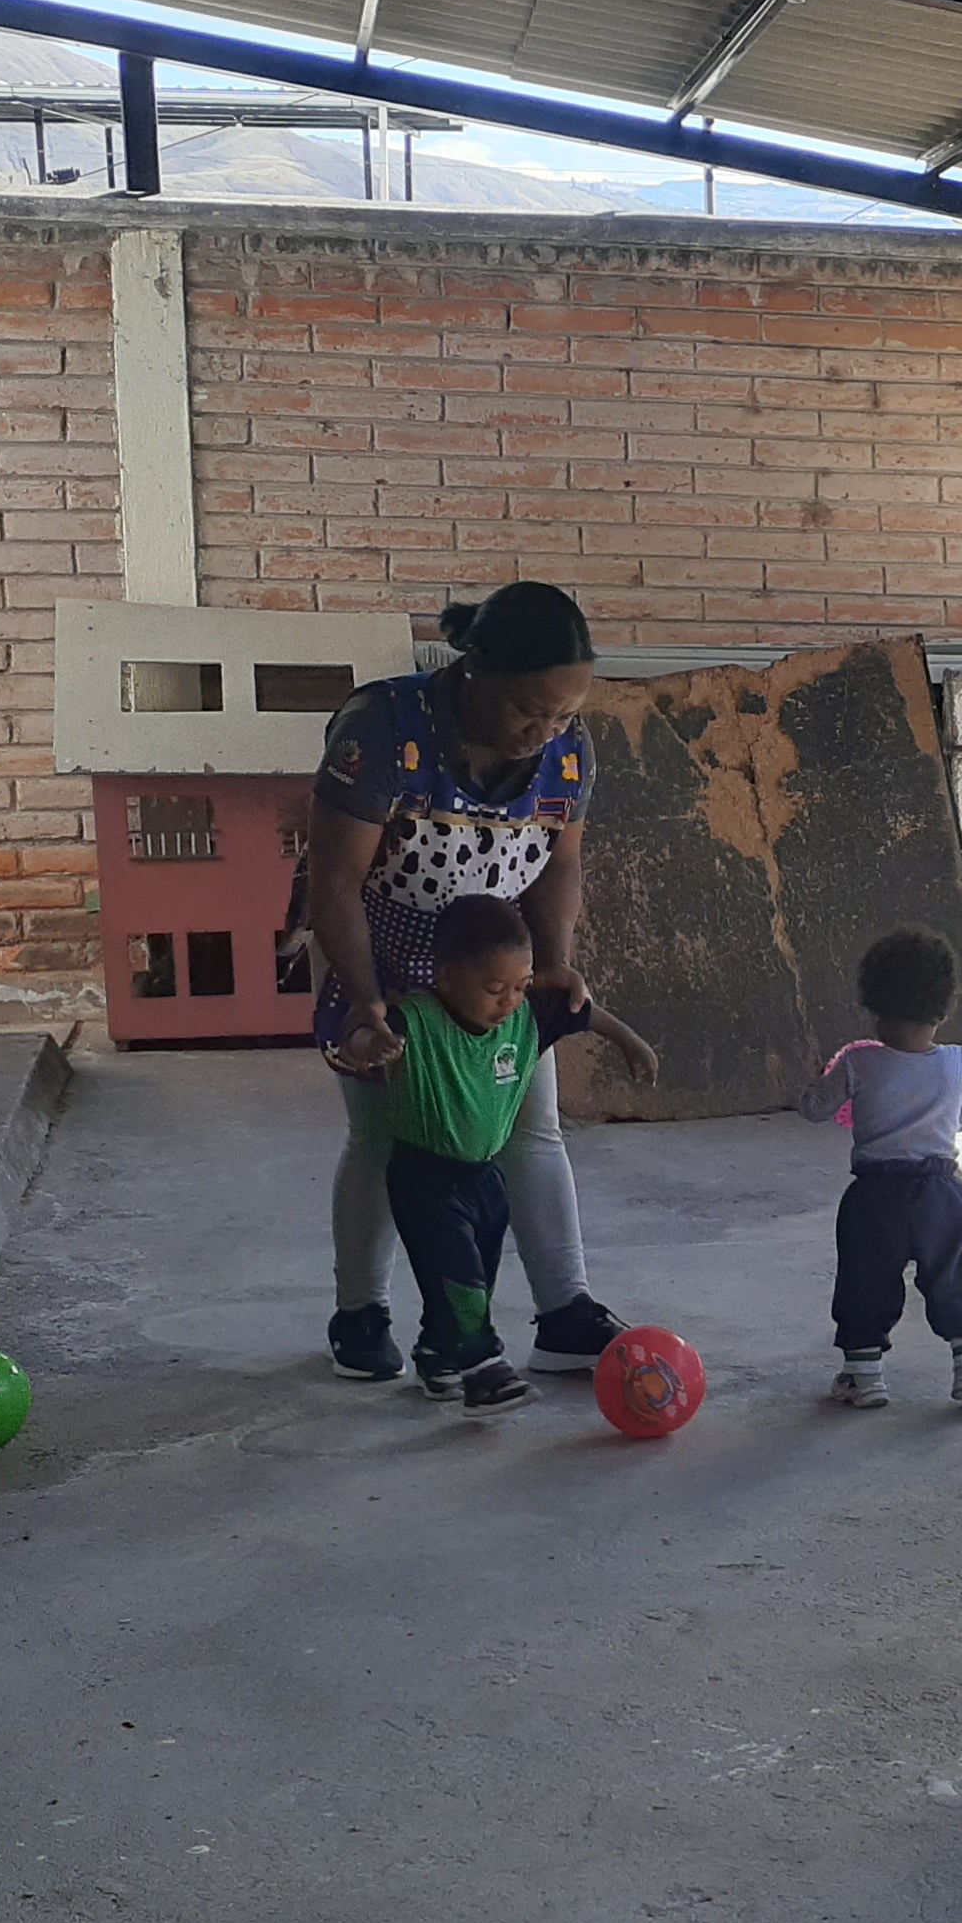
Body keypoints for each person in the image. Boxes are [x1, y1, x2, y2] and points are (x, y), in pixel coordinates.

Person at [302, 582, 629, 1384]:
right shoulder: (381, 727)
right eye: (529, 710)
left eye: (564, 713)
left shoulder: (567, 750)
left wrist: (551, 961)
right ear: (476, 669)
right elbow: (335, 883)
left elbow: (561, 863)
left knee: (532, 1128)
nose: (545, 730)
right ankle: (361, 1314)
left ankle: (564, 1312)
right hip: (378, 948)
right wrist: (367, 1001)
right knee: (386, 1138)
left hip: (491, 967)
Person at [382, 894, 659, 1413]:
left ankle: (438, 1354)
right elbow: (369, 1037)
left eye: (521, 985)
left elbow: (583, 1014)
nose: (510, 1000)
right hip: (425, 1176)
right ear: (446, 977)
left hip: (486, 1177)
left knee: (474, 1281)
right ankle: (485, 1370)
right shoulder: (416, 1019)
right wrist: (365, 1046)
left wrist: (630, 1041)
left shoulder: (527, 1016)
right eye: (494, 989)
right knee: (458, 1274)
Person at [798, 928, 962, 1410]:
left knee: (865, 1282)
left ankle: (864, 1376)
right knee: (956, 1276)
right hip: (940, 1192)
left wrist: (818, 1078)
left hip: (874, 1195)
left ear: (873, 1005)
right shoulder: (959, 1061)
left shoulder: (858, 1061)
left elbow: (813, 1108)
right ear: (944, 1008)